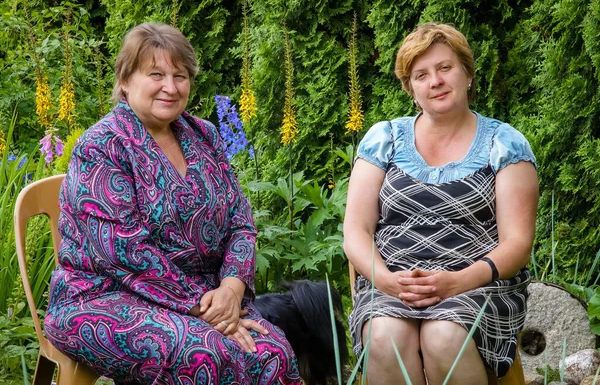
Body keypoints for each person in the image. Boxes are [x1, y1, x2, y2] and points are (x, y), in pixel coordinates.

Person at [44, 22, 300, 385]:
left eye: (180, 76)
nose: (171, 87)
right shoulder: (102, 145)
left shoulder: (204, 135)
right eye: (156, 74)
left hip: (209, 300)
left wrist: (231, 289)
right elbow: (123, 250)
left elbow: (240, 222)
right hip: (102, 298)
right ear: (126, 79)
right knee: (203, 354)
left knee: (271, 349)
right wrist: (205, 308)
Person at [344, 22, 538, 384]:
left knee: (443, 336)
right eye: (421, 74)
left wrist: (457, 282)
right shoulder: (382, 139)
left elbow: (518, 243)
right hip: (392, 281)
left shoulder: (505, 144)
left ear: (467, 74)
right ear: (410, 89)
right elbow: (356, 230)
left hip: (476, 286)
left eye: (445, 68)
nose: (435, 81)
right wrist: (386, 281)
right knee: (385, 337)